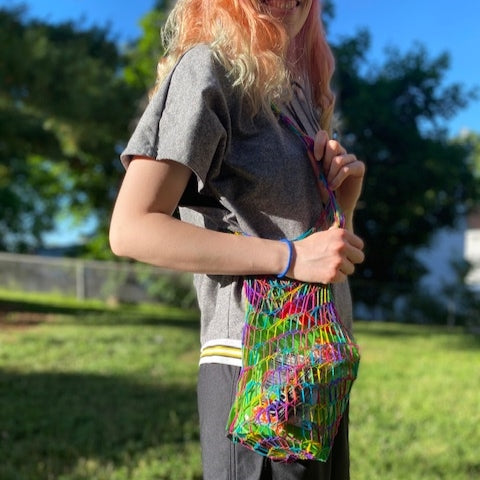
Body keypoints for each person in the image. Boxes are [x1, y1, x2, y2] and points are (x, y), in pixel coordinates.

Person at [110, 0, 365, 478]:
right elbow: (132, 228)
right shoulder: (206, 69)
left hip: (320, 370)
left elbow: (324, 256)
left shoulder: (296, 98)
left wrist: (343, 201)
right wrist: (289, 256)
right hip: (254, 367)